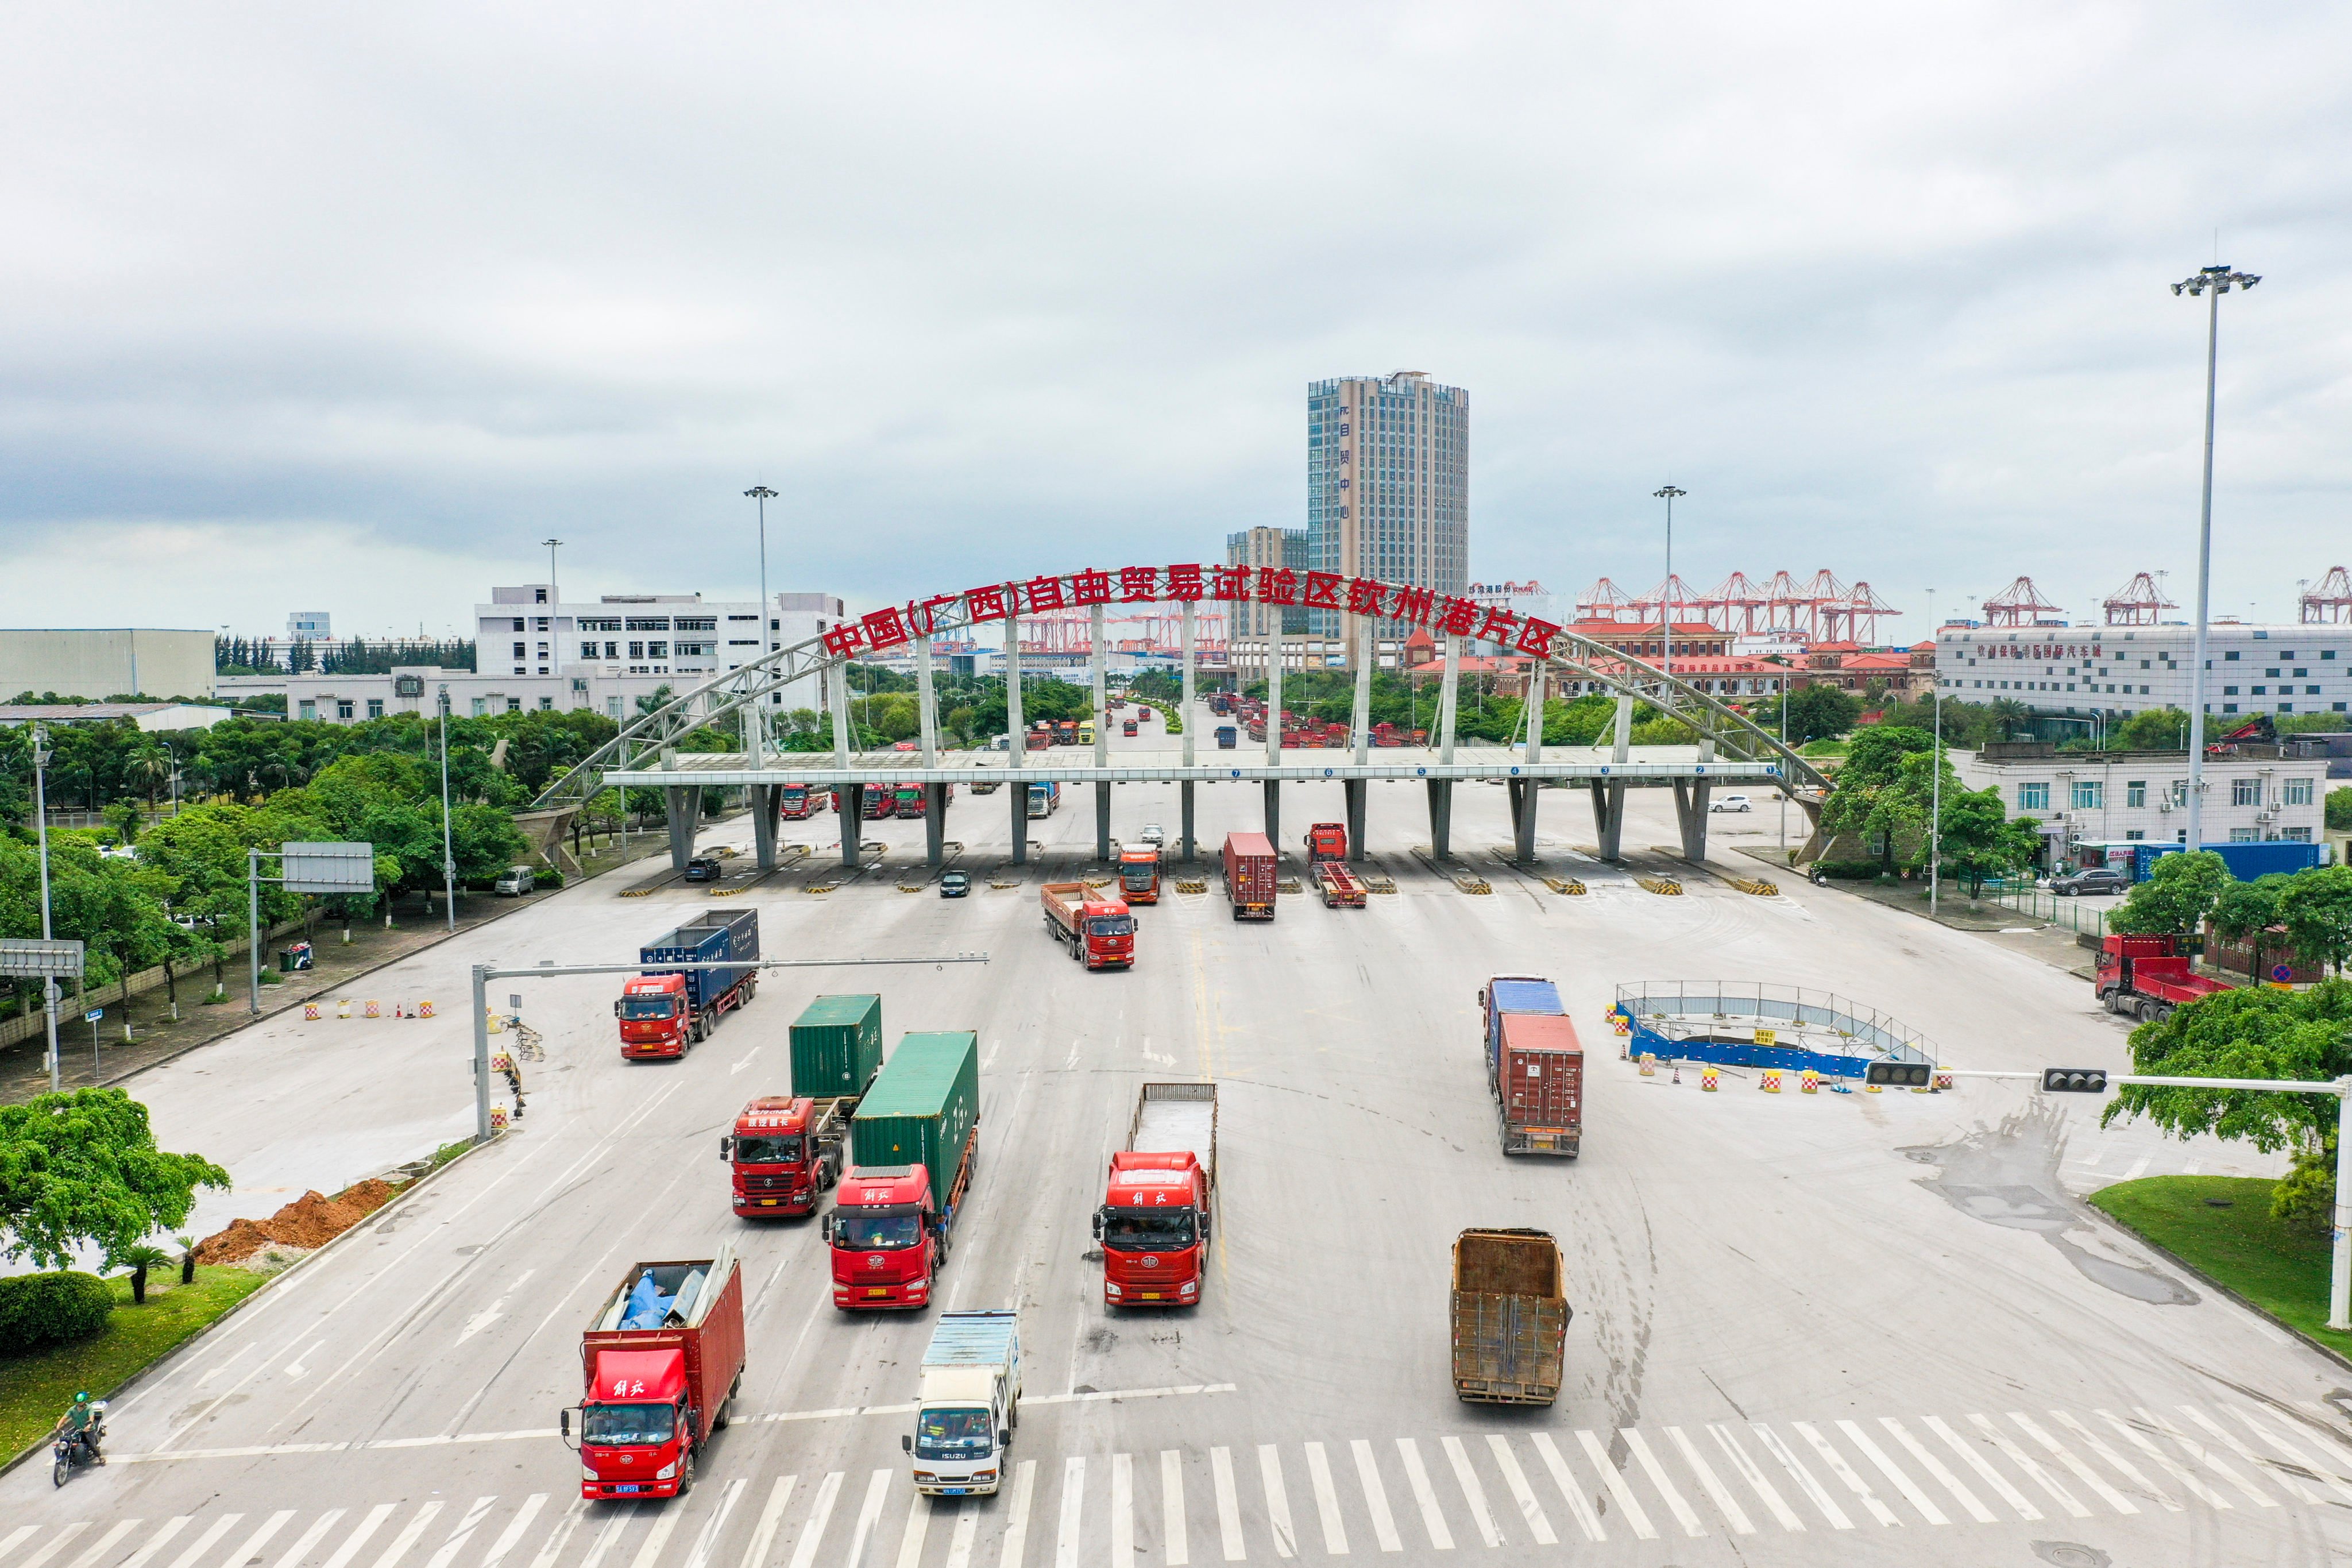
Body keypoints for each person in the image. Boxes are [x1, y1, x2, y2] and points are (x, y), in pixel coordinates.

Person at [55, 1391, 103, 1464]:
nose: (80, 1403)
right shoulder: (72, 1409)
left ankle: (100, 1457)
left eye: (81, 1402)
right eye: (79, 1402)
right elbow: (64, 1418)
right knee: (66, 1439)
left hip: (88, 1430)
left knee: (92, 1445)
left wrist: (88, 1426)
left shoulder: (89, 1408)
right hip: (78, 1428)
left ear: (85, 1401)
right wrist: (58, 1427)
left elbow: (91, 1418)